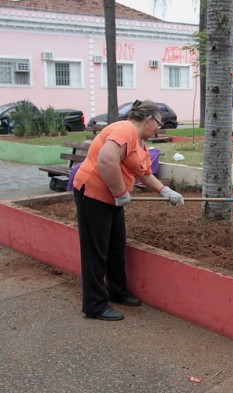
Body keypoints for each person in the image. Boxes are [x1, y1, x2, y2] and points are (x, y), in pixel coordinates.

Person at [73, 100, 184, 321]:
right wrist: (119, 192)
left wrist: (165, 191)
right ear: (149, 119)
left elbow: (144, 174)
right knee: (96, 250)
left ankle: (117, 291)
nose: (158, 129)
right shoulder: (125, 129)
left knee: (116, 246)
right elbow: (106, 161)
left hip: (112, 198)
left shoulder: (140, 144)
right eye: (158, 124)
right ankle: (94, 304)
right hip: (92, 195)